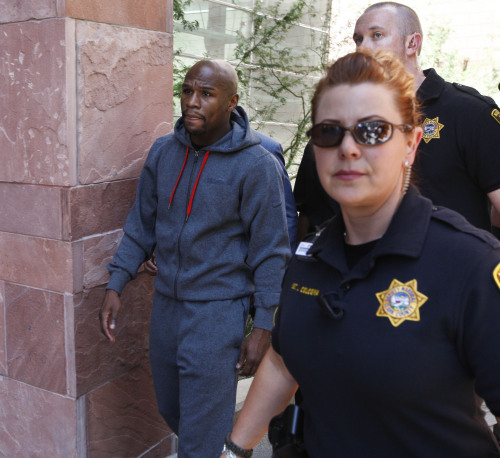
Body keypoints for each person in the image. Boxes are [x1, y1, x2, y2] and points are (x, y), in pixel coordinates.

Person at [220, 50, 500, 457]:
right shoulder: (308, 259)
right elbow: (283, 361)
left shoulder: (471, 264)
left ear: (411, 143)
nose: (348, 148)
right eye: (329, 131)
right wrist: (234, 450)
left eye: (373, 130)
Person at [99, 59, 291, 458]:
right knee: (174, 411)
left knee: (200, 437)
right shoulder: (163, 152)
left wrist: (264, 326)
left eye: (206, 94)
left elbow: (271, 251)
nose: (192, 101)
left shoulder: (257, 166)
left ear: (231, 102)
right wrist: (117, 281)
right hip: (166, 309)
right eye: (187, 91)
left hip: (217, 314)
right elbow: (141, 225)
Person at [294, 1, 500, 240]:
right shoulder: (334, 130)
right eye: (358, 39)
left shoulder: (470, 112)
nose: (363, 48)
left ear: (412, 43)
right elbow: (308, 219)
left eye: (377, 35)